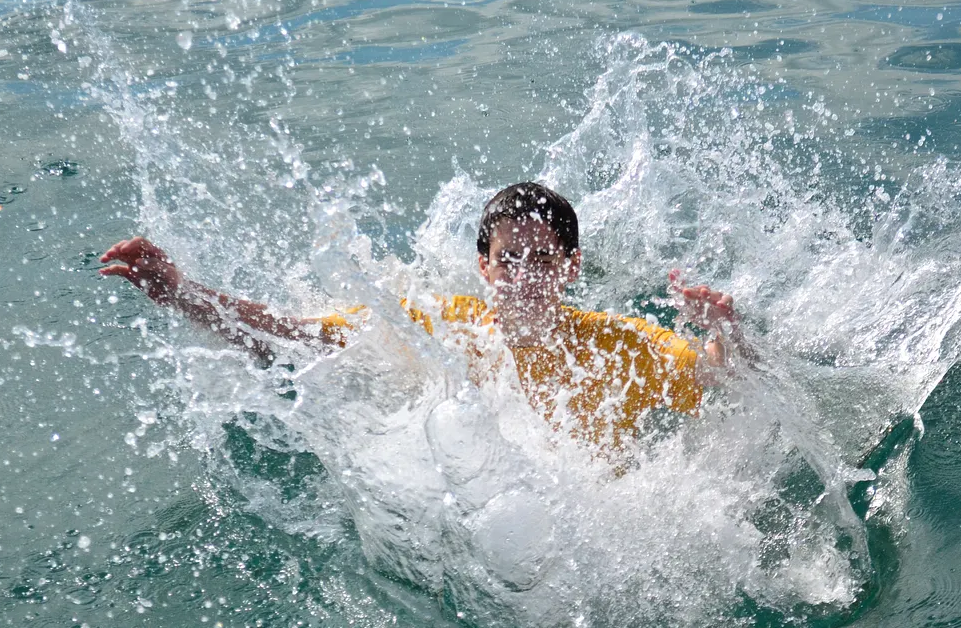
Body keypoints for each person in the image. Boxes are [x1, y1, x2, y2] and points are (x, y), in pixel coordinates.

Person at [99, 182, 753, 447]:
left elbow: (720, 385)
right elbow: (294, 336)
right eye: (510, 258)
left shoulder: (620, 346)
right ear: (483, 266)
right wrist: (185, 292)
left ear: (572, 267)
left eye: (543, 259)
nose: (525, 275)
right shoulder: (438, 324)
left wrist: (725, 331)